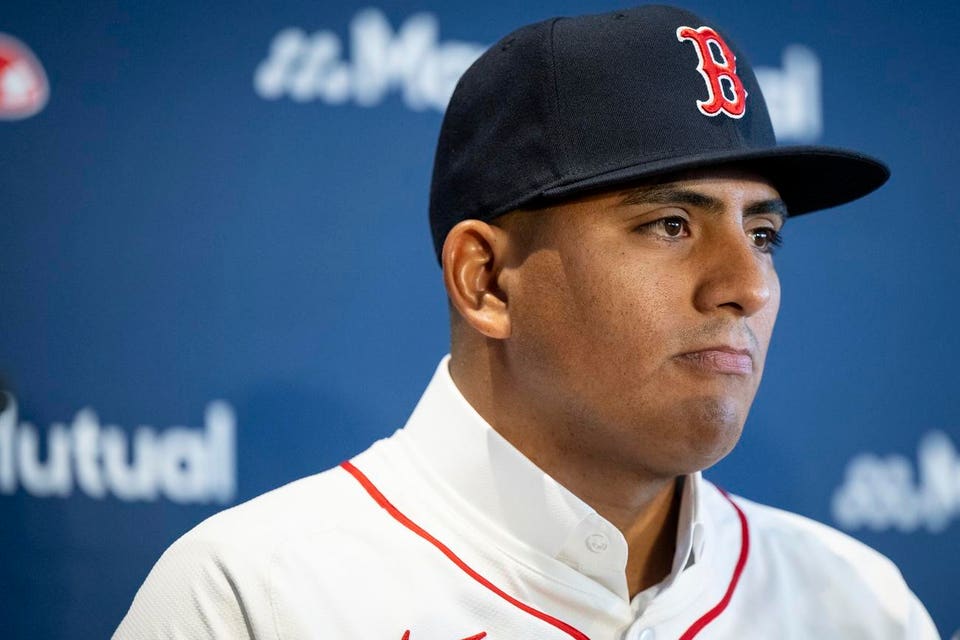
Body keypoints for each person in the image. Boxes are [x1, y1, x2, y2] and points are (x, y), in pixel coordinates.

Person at [115, 5, 940, 639]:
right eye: (670, 225)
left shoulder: (860, 606)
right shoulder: (255, 596)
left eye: (762, 235)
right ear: (486, 281)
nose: (747, 287)